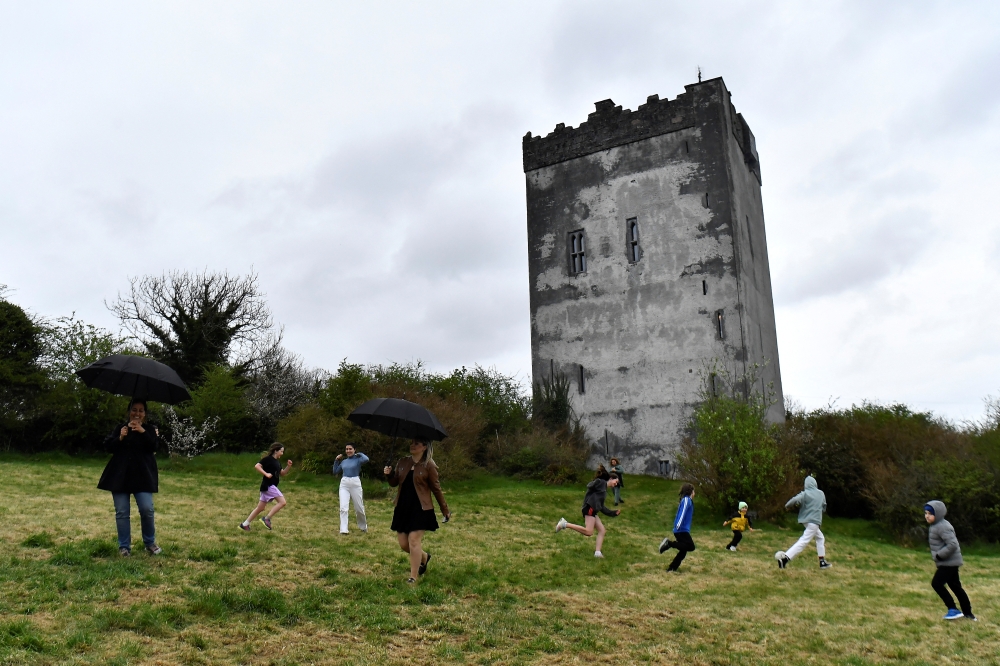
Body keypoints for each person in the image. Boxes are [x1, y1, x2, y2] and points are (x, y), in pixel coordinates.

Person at [97, 399, 162, 557]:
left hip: (143, 477)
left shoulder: (150, 429)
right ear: (129, 412)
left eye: (141, 410)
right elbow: (107, 446)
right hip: (120, 476)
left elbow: (155, 447)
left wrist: (143, 432)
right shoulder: (121, 428)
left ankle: (150, 543)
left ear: (145, 414)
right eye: (134, 410)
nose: (137, 413)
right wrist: (120, 437)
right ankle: (124, 547)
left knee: (147, 509)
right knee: (122, 512)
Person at [384, 438, 451, 584]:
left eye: (417, 444)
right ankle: (424, 557)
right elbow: (394, 483)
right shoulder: (402, 462)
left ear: (424, 447)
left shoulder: (429, 465)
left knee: (414, 541)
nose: (412, 445)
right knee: (403, 544)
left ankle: (413, 576)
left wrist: (444, 509)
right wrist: (389, 474)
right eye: (412, 443)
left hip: (421, 508)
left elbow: (436, 488)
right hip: (402, 507)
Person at [925, 500, 976, 621]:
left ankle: (952, 609)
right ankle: (968, 614)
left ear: (938, 514)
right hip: (948, 562)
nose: (927, 516)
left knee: (936, 583)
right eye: (926, 513)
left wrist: (939, 556)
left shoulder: (943, 526)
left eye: (930, 513)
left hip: (948, 562)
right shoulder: (935, 525)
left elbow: (952, 544)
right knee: (955, 587)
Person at [555, 467, 621, 557]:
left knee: (602, 530)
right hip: (589, 508)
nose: (615, 484)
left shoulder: (604, 490)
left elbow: (601, 507)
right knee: (589, 532)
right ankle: (564, 524)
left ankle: (597, 553)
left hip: (593, 510)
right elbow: (590, 485)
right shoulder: (601, 483)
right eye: (615, 482)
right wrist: (598, 481)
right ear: (610, 479)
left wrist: (613, 513)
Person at [775, 475, 831, 569]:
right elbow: (824, 507)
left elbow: (794, 500)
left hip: (806, 521)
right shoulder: (821, 493)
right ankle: (784, 560)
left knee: (820, 538)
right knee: (803, 541)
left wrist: (787, 506)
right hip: (815, 521)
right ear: (815, 484)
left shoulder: (805, 493)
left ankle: (822, 562)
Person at [239, 443, 292, 531]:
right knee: (282, 502)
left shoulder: (277, 462)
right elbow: (257, 466)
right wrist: (266, 474)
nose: (282, 453)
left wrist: (288, 466)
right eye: (281, 451)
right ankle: (267, 518)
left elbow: (282, 473)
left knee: (261, 508)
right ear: (276, 451)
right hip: (269, 486)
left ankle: (244, 524)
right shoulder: (268, 459)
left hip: (268, 487)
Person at [333, 442, 369, 534]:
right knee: (343, 507)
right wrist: (336, 460)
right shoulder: (344, 461)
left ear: (354, 450)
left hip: (355, 483)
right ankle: (343, 529)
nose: (348, 451)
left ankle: (363, 527)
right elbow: (335, 471)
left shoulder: (358, 459)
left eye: (350, 449)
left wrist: (359, 453)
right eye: (347, 449)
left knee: (359, 508)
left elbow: (366, 459)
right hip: (344, 483)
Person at [658, 483, 696, 572]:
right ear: (691, 491)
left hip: (681, 529)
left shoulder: (686, 500)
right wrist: (678, 525)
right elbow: (682, 513)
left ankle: (671, 568)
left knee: (683, 551)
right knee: (691, 546)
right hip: (681, 529)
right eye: (694, 491)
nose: (695, 493)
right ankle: (669, 544)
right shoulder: (687, 500)